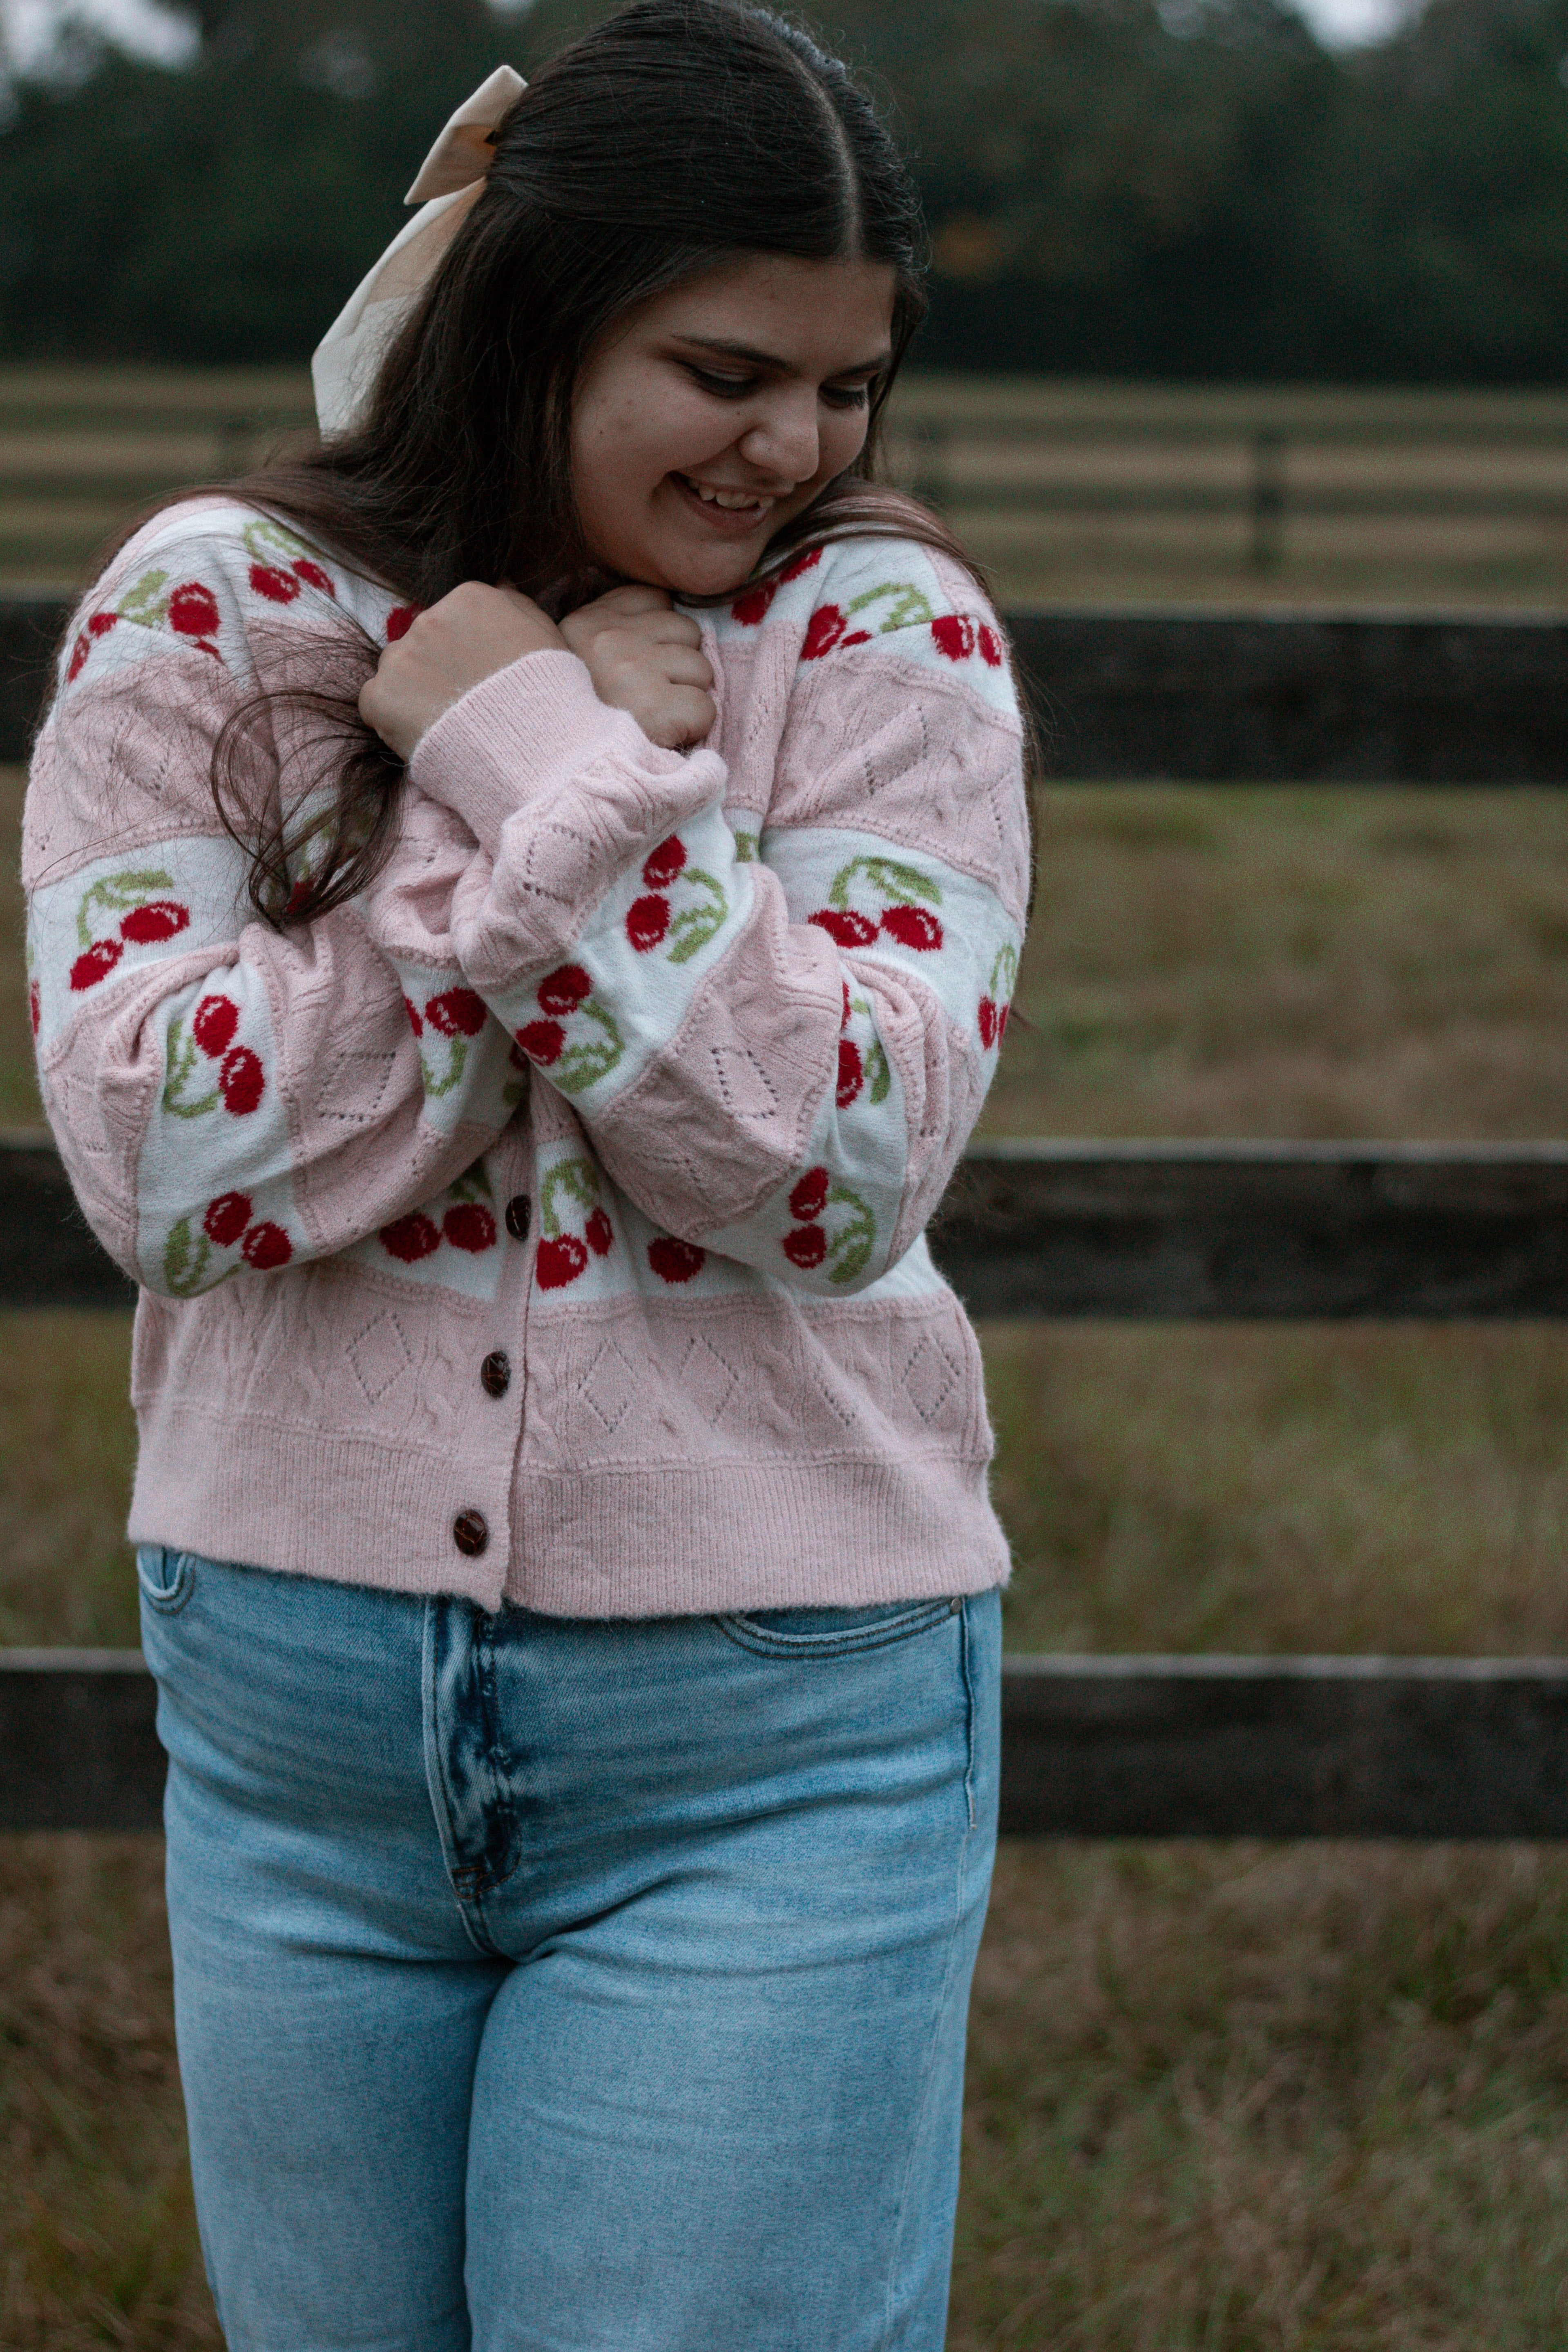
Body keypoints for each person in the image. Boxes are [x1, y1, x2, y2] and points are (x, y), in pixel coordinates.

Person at [25, 4, 1030, 2344]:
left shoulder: (883, 636)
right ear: (530, 315)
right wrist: (503, 809)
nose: (794, 447)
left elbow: (831, 1165)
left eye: (848, 384)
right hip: (296, 1722)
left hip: (767, 1735)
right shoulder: (216, 609)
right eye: (722, 372)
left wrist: (526, 757)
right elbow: (166, 1158)